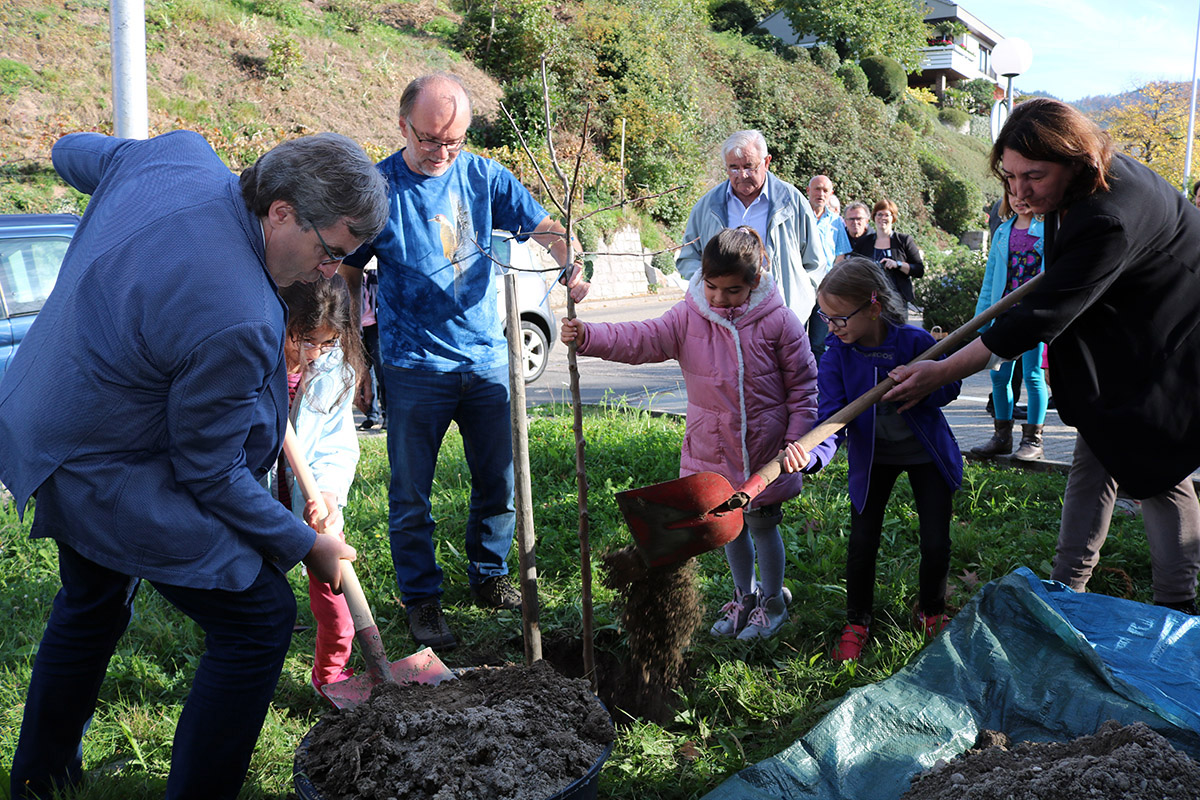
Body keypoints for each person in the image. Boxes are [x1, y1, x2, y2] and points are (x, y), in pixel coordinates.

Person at [0, 130, 388, 800]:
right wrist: (305, 543)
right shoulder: (235, 311)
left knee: (92, 601)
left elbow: (74, 152)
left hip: (44, 410)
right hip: (98, 459)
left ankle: (41, 778)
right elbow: (207, 472)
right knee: (259, 618)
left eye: (348, 260)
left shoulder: (175, 156)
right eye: (331, 252)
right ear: (281, 211)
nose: (332, 273)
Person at [885, 97, 1200, 614]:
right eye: (1008, 176)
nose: (1018, 191)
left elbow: (1039, 320)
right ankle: (1065, 590)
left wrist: (942, 369)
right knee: (1096, 450)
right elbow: (1055, 288)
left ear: (1077, 160)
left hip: (1173, 341)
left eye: (1033, 176)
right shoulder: (1073, 189)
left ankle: (1175, 612)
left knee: (1159, 469)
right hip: (1124, 328)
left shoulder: (1108, 215)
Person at [338, 72, 588, 652]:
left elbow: (545, 228)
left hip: (486, 363)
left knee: (499, 479)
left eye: (453, 141)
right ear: (403, 125)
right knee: (410, 494)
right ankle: (422, 599)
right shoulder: (378, 190)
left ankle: (491, 575)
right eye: (429, 139)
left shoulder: (486, 177)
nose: (441, 152)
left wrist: (570, 262)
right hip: (411, 364)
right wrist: (356, 357)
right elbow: (349, 276)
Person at [562, 227, 818, 639]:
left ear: (754, 281)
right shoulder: (689, 316)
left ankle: (772, 602)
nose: (719, 298)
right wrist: (590, 336)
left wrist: (797, 440)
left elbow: (804, 388)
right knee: (727, 524)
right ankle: (744, 596)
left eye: (733, 290)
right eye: (712, 286)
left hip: (766, 452)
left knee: (763, 526)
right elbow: (641, 338)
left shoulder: (780, 323)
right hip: (711, 449)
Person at [784, 257, 962, 662]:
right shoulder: (836, 356)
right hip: (874, 460)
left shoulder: (915, 344)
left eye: (839, 319)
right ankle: (857, 621)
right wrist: (809, 455)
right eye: (825, 318)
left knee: (936, 541)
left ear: (874, 307)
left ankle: (931, 611)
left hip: (925, 456)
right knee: (863, 543)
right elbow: (832, 421)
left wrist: (921, 388)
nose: (831, 328)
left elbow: (950, 384)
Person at [272, 276, 364, 696]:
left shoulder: (333, 371)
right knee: (264, 608)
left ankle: (331, 679)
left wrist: (325, 493)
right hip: (257, 505)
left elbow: (337, 445)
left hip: (313, 508)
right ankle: (250, 677)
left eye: (328, 343)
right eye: (307, 341)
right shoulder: (258, 361)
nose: (316, 354)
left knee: (338, 607)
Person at [676, 130, 822, 326]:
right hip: (723, 319)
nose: (742, 175)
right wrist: (709, 289)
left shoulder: (793, 202)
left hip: (783, 318)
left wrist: (801, 303)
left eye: (749, 166)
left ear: (767, 162)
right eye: (733, 168)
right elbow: (688, 257)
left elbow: (815, 264)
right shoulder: (707, 206)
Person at [969, 192, 1046, 460]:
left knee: (1033, 375)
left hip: (1033, 317)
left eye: (1026, 195)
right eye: (1012, 195)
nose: (1019, 199)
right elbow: (990, 278)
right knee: (999, 376)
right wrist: (983, 318)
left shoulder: (1047, 230)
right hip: (1003, 316)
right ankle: (1002, 436)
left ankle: (1033, 440)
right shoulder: (1002, 231)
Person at [851, 199, 924, 323]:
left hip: (897, 300)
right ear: (874, 217)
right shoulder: (864, 242)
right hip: (870, 299)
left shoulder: (904, 240)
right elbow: (854, 268)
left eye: (887, 215)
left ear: (893, 218)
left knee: (898, 334)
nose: (882, 218)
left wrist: (898, 264)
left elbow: (919, 270)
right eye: (879, 214)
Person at [806, 174, 853, 360]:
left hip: (824, 289)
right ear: (808, 191)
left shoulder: (836, 222)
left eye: (825, 190)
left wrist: (831, 286)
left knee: (818, 342)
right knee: (795, 338)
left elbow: (840, 256)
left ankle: (818, 384)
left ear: (830, 193)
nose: (820, 193)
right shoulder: (798, 217)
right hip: (801, 285)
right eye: (817, 189)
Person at [356, 263, 385, 430]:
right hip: (359, 329)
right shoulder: (354, 273)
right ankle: (371, 414)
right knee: (366, 372)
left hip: (376, 328)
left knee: (381, 370)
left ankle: (387, 414)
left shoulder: (375, 275)